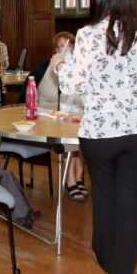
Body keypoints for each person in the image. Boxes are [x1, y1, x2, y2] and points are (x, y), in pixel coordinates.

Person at [53, 0, 137, 274]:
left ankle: (107, 258)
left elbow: (72, 84)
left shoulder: (86, 36)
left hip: (100, 132)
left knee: (105, 199)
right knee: (129, 204)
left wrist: (59, 65)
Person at [28, 31, 88, 201]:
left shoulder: (81, 64)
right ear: (55, 50)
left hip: (78, 108)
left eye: (69, 45)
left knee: (83, 140)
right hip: (58, 110)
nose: (66, 49)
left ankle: (78, 177)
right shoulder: (51, 66)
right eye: (61, 46)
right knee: (69, 139)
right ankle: (70, 180)